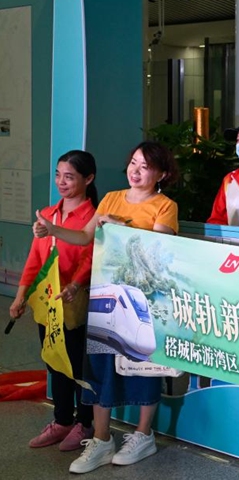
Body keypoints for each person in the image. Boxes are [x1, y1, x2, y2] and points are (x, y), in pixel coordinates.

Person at [33, 141, 179, 474]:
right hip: (105, 296)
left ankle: (144, 434)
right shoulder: (111, 198)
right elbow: (86, 237)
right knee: (100, 366)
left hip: (142, 301)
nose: (135, 170)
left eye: (144, 166)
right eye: (133, 163)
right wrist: (53, 229)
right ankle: (101, 439)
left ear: (162, 173)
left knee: (143, 366)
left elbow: (155, 252)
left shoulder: (165, 205)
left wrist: (117, 229)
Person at [9, 151, 97, 452]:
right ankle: (61, 420)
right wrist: (20, 296)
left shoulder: (92, 216)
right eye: (58, 175)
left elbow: (90, 257)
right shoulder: (47, 214)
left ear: (88, 179)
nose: (61, 181)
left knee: (77, 365)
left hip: (76, 303)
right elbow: (36, 260)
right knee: (53, 359)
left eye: (69, 176)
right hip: (49, 303)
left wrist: (75, 284)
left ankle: (84, 423)